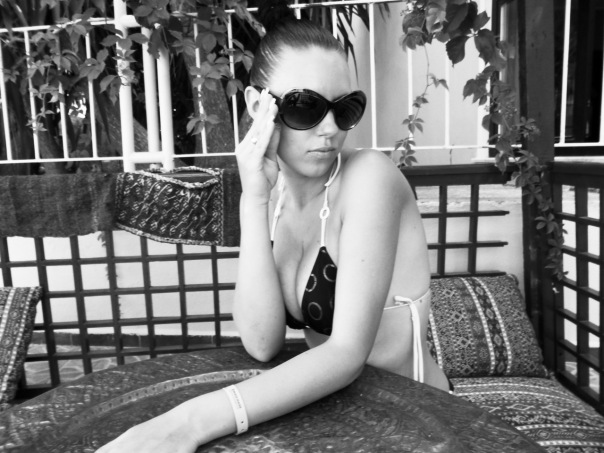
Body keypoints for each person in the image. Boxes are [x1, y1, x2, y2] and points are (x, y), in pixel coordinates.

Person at [97, 2, 450, 451]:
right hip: (339, 420)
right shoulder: (275, 193)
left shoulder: (370, 178)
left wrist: (187, 423)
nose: (329, 129)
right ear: (257, 105)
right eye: (305, 107)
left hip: (419, 422)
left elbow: (346, 354)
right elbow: (261, 341)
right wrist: (253, 198)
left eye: (345, 109)